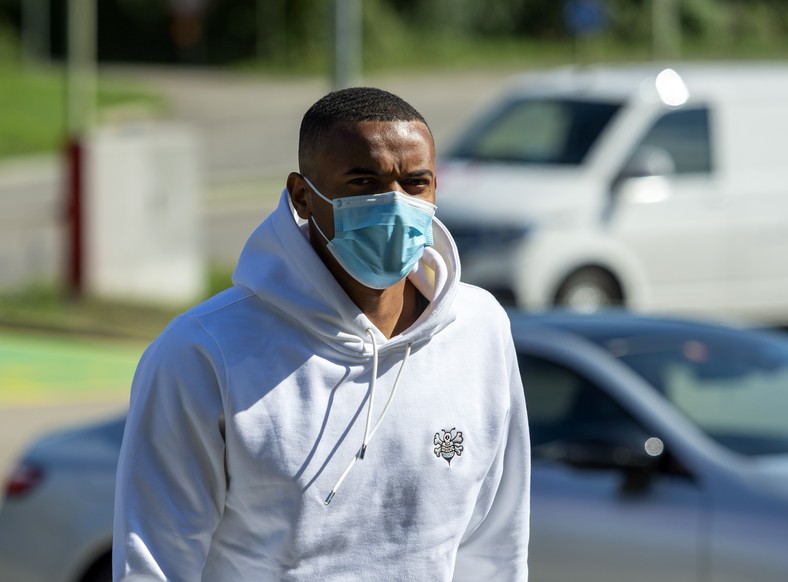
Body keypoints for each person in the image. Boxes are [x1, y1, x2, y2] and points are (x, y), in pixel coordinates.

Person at [113, 87, 530, 581]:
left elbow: (495, 547)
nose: (394, 206)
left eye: (415, 183)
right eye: (364, 182)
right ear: (302, 196)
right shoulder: (204, 350)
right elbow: (155, 561)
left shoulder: (479, 328)